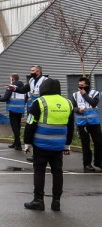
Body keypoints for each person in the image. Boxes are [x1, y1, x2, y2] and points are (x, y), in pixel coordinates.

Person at [22, 78, 73, 212]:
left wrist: (27, 142)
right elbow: (71, 126)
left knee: (39, 171)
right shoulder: (68, 103)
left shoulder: (39, 102)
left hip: (41, 145)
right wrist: (67, 145)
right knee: (58, 172)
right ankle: (56, 201)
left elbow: (30, 124)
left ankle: (38, 201)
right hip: (58, 146)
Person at [72, 77, 102, 172]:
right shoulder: (75, 95)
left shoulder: (95, 93)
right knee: (86, 145)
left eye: (82, 86)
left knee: (98, 143)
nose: (80, 87)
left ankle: (98, 162)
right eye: (79, 85)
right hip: (82, 123)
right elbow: (72, 107)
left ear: (87, 85)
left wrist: (84, 95)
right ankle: (87, 164)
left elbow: (93, 103)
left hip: (94, 122)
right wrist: (78, 110)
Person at [0, 73, 27, 150]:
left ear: (12, 79)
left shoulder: (11, 87)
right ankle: (15, 142)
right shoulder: (23, 87)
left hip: (13, 109)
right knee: (18, 126)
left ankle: (18, 144)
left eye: (10, 79)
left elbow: (5, 98)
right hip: (20, 110)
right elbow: (25, 98)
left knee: (14, 127)